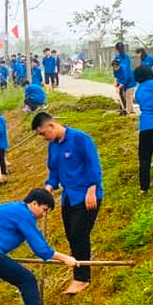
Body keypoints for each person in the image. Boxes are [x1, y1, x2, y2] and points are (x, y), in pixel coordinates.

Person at [32, 112, 103, 295]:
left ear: (51, 126)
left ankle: (82, 278)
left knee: (79, 233)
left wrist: (92, 188)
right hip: (69, 197)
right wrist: (48, 187)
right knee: (71, 236)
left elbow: (92, 164)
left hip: (87, 195)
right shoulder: (53, 147)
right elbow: (54, 172)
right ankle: (79, 269)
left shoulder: (80, 139)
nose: (44, 138)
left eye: (43, 134)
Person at [114, 43, 136, 114]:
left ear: (116, 49)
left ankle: (127, 110)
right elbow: (115, 70)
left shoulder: (122, 59)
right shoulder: (125, 57)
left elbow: (125, 74)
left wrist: (120, 84)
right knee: (125, 95)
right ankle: (128, 109)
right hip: (124, 78)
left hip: (129, 79)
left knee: (128, 95)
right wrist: (116, 81)